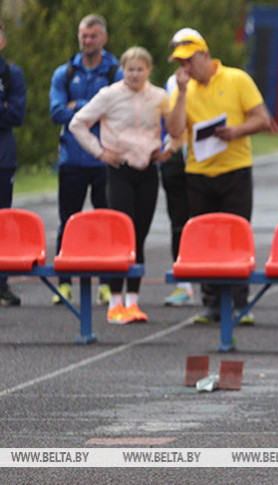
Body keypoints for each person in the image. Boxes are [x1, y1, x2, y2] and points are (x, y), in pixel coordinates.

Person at [166, 31, 270, 325]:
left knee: (236, 235)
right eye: (180, 63)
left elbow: (262, 118)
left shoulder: (236, 79)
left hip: (234, 169)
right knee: (206, 239)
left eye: (188, 61)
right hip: (198, 173)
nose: (184, 68)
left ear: (203, 55)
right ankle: (211, 304)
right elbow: (174, 131)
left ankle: (239, 303)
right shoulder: (181, 89)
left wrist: (235, 131)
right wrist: (183, 92)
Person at [69, 46, 170, 324]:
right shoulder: (109, 95)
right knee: (120, 236)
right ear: (122, 70)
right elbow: (78, 123)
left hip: (148, 170)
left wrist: (169, 149)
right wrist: (99, 152)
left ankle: (133, 302)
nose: (135, 74)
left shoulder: (159, 96)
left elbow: (178, 126)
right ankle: (115, 302)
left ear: (149, 70)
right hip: (119, 170)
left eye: (140, 69)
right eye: (130, 69)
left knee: (140, 236)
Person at [49, 14, 121, 306]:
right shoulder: (64, 73)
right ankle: (64, 284)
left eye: (92, 36)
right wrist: (93, 110)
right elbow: (56, 112)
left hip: (104, 159)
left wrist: (77, 108)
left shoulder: (115, 71)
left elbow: (117, 111)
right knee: (69, 220)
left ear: (103, 38)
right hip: (73, 158)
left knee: (105, 223)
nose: (87, 41)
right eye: (83, 35)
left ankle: (106, 283)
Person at [160, 28, 198, 307]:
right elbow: (172, 124)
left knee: (206, 221)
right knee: (178, 220)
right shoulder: (171, 84)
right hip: (175, 158)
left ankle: (217, 284)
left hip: (203, 159)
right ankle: (183, 283)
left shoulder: (210, 80)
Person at [0, 19, 26, 307]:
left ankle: (1, 283)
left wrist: (6, 108)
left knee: (2, 221)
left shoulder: (11, 74)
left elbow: (15, 115)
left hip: (3, 158)